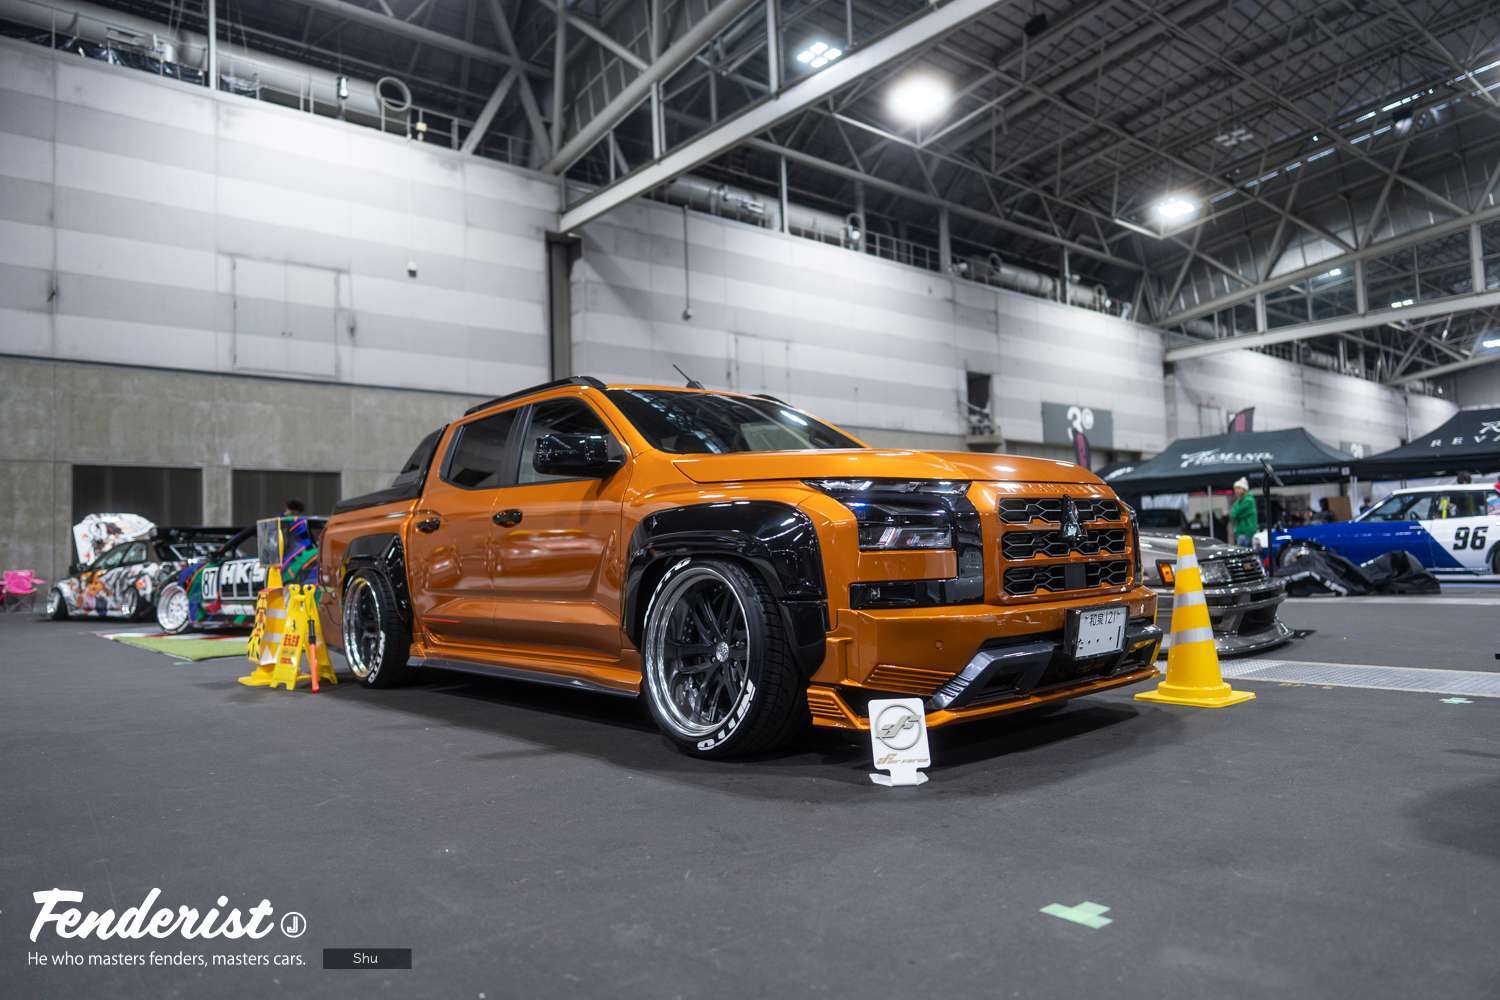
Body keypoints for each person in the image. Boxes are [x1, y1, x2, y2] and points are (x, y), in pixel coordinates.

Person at [1229, 477, 1258, 548]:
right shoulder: (1241, 501)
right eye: (1235, 489)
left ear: (1244, 489)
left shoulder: (1248, 500)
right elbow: (1233, 513)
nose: (1236, 491)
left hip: (1246, 533)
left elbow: (1234, 514)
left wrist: (1234, 509)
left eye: (1238, 488)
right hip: (1242, 533)